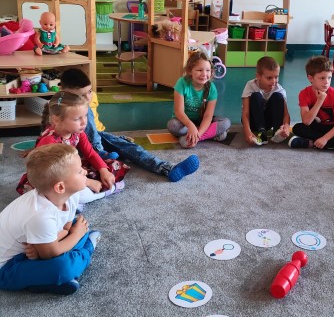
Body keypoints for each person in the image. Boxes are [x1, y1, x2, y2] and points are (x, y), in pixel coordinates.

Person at [60, 68, 199, 183]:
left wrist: (111, 140)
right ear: (65, 93)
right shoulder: (59, 109)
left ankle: (167, 168)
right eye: (81, 95)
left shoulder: (89, 100)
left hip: (96, 138)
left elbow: (94, 129)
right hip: (76, 147)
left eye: (89, 92)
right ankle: (102, 155)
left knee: (129, 147)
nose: (87, 98)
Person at [0, 144, 100, 295]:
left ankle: (45, 280)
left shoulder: (72, 195)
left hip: (36, 248)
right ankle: (87, 249)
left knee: (79, 225)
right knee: (63, 267)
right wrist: (76, 235)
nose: (85, 171)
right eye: (79, 171)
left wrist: (41, 249)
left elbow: (66, 228)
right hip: (7, 267)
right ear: (60, 187)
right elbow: (52, 253)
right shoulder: (40, 215)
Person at [16, 91, 127, 203]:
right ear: (56, 119)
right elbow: (49, 174)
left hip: (72, 170)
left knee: (114, 165)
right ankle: (106, 191)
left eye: (85, 116)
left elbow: (90, 153)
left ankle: (88, 192)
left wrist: (103, 170)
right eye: (77, 119)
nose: (84, 122)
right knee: (67, 194)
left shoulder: (78, 133)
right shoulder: (48, 141)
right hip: (52, 178)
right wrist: (87, 182)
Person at [289, 55, 334, 150]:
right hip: (315, 127)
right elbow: (306, 122)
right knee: (297, 128)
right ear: (310, 78)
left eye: (329, 78)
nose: (326, 82)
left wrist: (325, 138)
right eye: (322, 78)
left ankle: (312, 143)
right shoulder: (304, 93)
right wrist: (320, 100)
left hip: (331, 128)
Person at [167, 51, 231, 148]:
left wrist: (199, 135)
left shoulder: (212, 88)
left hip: (202, 121)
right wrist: (191, 126)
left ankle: (192, 138)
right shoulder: (181, 83)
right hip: (183, 122)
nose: (204, 74)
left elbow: (208, 116)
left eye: (208, 70)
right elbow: (179, 112)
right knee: (172, 125)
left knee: (226, 122)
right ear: (190, 71)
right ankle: (205, 133)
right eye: (199, 70)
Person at [241, 56, 291, 146]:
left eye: (276, 77)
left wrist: (286, 127)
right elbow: (245, 113)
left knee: (278, 96)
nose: (273, 81)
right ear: (258, 76)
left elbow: (286, 114)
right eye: (269, 78)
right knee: (256, 96)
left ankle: (277, 131)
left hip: (268, 122)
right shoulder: (250, 85)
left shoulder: (279, 89)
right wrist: (247, 132)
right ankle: (262, 132)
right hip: (254, 122)